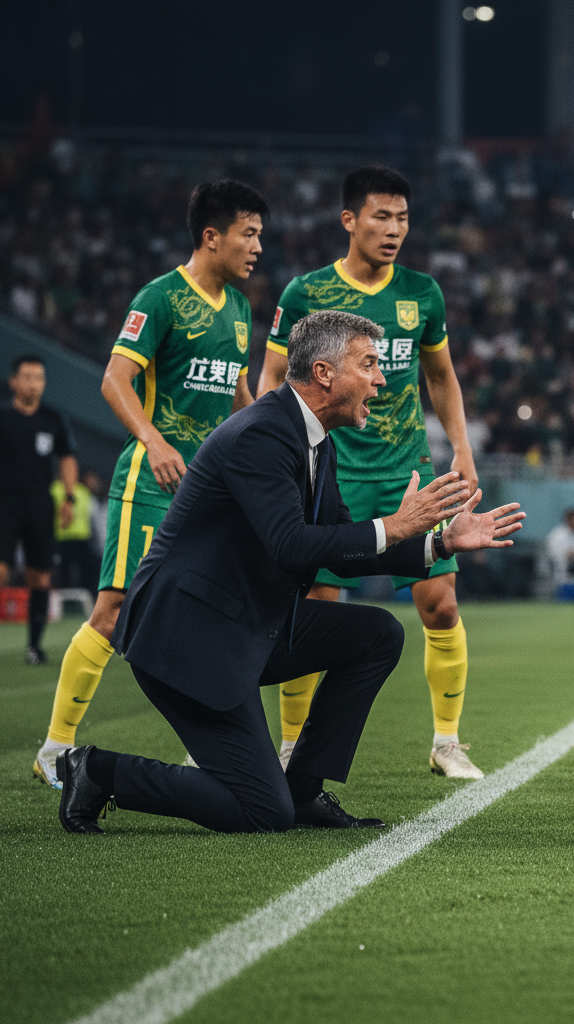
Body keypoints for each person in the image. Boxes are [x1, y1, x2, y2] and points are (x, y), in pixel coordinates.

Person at [55, 310, 524, 835]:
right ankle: (96, 770)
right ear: (324, 374)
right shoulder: (262, 433)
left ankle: (304, 792)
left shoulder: (316, 438)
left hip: (246, 624)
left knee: (378, 635)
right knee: (259, 811)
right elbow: (292, 544)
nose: (382, 378)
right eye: (369, 364)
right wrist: (393, 525)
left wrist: (437, 542)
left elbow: (344, 546)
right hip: (190, 640)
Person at [32, 180, 268, 789]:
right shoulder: (160, 297)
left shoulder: (240, 310)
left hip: (213, 495)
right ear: (211, 236)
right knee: (113, 613)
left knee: (214, 619)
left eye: (260, 234)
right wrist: (154, 441)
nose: (257, 246)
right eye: (249, 233)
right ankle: (55, 749)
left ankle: (211, 748)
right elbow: (114, 380)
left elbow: (239, 398)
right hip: (153, 484)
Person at [256, 166, 486, 779]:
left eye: (403, 218)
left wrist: (460, 449)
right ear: (349, 220)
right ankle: (290, 746)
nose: (394, 230)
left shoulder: (423, 293)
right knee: (317, 607)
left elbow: (440, 375)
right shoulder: (305, 293)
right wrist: (279, 454)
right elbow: (273, 378)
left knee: (440, 603)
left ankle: (446, 743)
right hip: (331, 470)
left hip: (405, 468)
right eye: (381, 217)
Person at [0, 355, 78, 666]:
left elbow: (67, 459)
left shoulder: (54, 419)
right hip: (2, 502)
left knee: (38, 577)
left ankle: (34, 648)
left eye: (39, 378)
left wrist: (69, 498)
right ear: (13, 381)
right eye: (27, 377)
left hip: (39, 503)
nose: (33, 383)